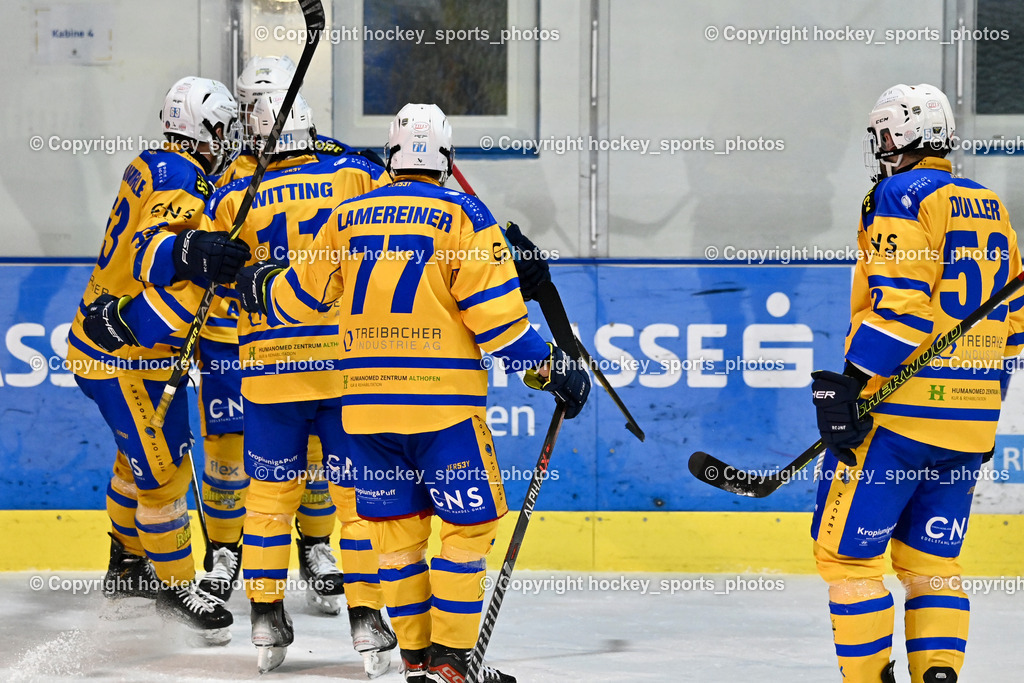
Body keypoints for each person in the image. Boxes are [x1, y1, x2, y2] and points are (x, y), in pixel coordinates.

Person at [236, 102, 591, 683]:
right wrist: (554, 372)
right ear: (447, 158)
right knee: (468, 531)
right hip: (443, 411)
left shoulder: (347, 216)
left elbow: (298, 299)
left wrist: (260, 285)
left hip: (365, 413)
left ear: (391, 157)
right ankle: (453, 660)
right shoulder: (466, 217)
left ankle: (419, 664)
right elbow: (500, 329)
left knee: (397, 541)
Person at [810, 83, 1024, 683]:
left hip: (899, 416)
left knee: (849, 561)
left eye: (881, 134)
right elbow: (1015, 325)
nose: (878, 147)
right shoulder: (990, 203)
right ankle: (938, 676)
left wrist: (852, 385)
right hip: (971, 419)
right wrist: (986, 404)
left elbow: (900, 308)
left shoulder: (901, 194)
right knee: (931, 564)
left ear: (897, 136)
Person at [203, 90, 396, 675]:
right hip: (341, 367)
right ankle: (366, 621)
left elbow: (217, 276)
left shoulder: (234, 192)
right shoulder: (354, 173)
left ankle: (264, 616)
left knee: (266, 502)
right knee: (357, 500)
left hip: (267, 371)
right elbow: (403, 208)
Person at [69, 76, 251, 642]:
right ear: (209, 128)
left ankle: (125, 566)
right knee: (163, 476)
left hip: (125, 344)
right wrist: (194, 249)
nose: (229, 140)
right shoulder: (182, 176)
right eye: (224, 129)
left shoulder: (154, 162)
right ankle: (177, 587)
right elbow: (151, 253)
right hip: (121, 349)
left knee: (137, 462)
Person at [196, 55, 353, 616]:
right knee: (226, 451)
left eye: (251, 105)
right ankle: (223, 549)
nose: (244, 114)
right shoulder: (216, 167)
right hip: (226, 329)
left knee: (309, 451)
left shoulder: (331, 159)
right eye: (238, 105)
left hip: (300, 334)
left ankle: (315, 546)